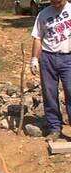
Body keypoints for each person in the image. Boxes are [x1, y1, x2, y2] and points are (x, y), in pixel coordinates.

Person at [30, 0, 71, 141]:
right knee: (49, 93)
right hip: (47, 58)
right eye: (53, 1)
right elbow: (37, 38)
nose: (56, 4)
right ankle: (54, 128)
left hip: (68, 57)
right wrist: (34, 59)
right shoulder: (43, 14)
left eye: (58, 1)